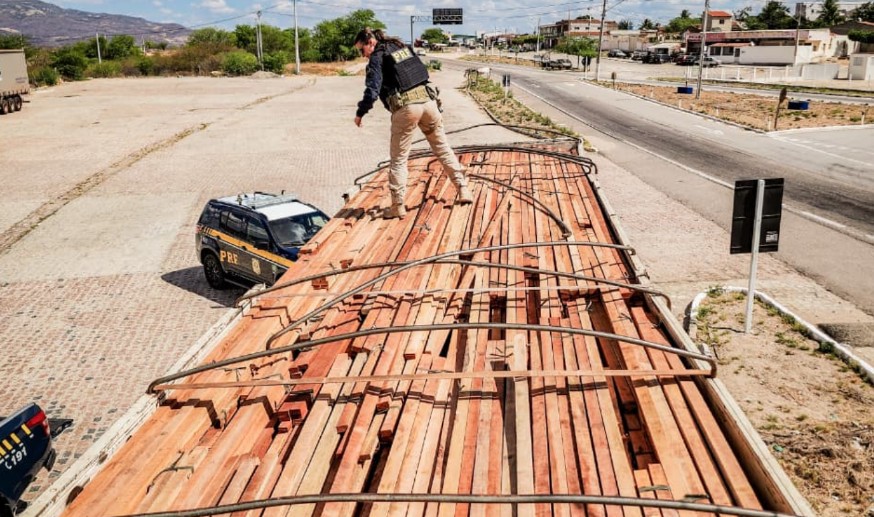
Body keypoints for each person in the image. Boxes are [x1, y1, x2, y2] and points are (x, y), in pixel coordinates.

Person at [353, 28, 473, 219]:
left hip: (407, 109)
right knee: (442, 148)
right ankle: (463, 188)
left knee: (399, 159)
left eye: (362, 50)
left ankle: (397, 206)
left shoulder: (377, 56)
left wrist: (360, 113)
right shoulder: (402, 47)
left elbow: (372, 90)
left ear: (370, 42)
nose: (363, 55)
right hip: (429, 103)